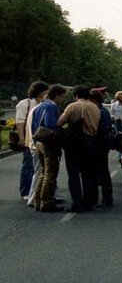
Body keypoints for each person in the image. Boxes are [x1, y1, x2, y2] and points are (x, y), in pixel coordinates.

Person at [57, 85, 101, 213]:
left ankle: (77, 202)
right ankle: (88, 201)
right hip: (90, 142)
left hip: (74, 143)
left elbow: (59, 122)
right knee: (87, 173)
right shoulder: (95, 108)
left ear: (76, 95)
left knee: (73, 174)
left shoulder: (73, 106)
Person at [31, 84, 67, 212]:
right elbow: (51, 124)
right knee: (50, 174)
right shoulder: (52, 106)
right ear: (56, 95)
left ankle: (38, 200)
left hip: (39, 141)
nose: (62, 99)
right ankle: (46, 202)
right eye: (62, 97)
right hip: (49, 143)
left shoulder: (39, 106)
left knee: (43, 172)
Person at [15, 81, 48, 201]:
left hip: (40, 139)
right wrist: (22, 138)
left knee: (39, 166)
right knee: (28, 165)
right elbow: (20, 122)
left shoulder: (44, 103)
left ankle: (37, 190)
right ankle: (25, 190)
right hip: (29, 139)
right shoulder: (25, 103)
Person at [89, 90, 113, 207]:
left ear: (94, 100)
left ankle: (105, 198)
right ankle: (106, 197)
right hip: (103, 145)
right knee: (103, 172)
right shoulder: (104, 111)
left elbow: (100, 130)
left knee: (100, 172)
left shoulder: (100, 112)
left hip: (99, 145)